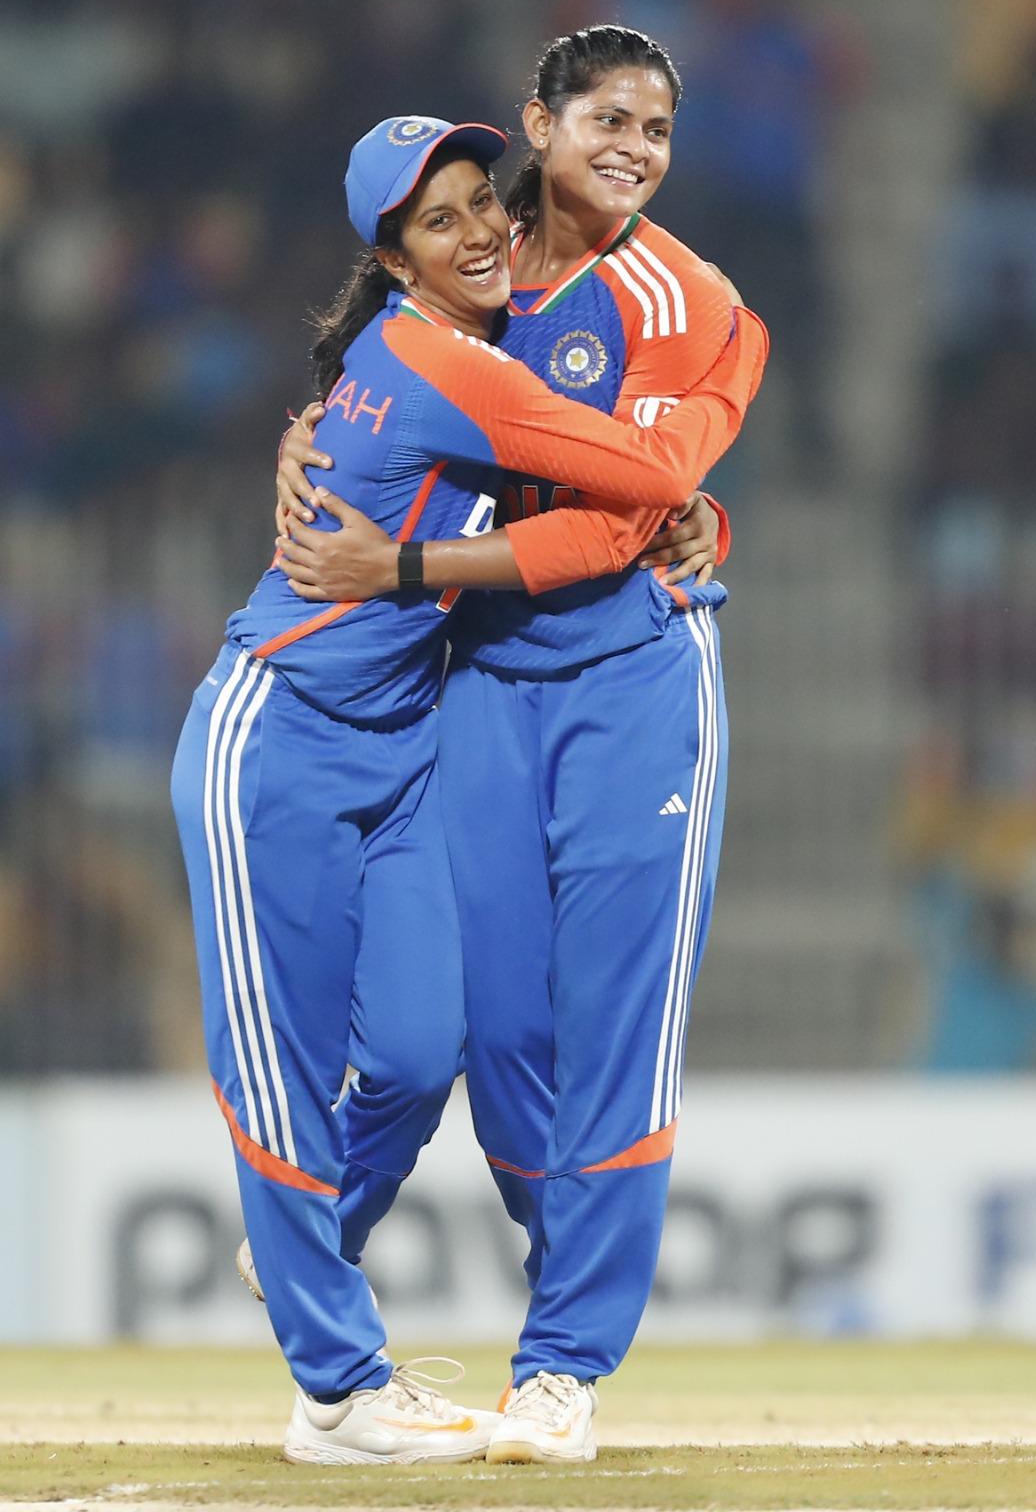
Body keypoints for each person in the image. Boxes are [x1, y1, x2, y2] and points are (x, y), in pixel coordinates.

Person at [173, 108, 767, 1467]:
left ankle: (312, 1247)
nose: (482, 229)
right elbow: (646, 462)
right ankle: (338, 1390)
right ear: (394, 260)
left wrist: (678, 514)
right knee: (277, 1072)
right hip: (279, 733)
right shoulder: (453, 363)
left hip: (400, 745)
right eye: (437, 222)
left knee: (412, 1051)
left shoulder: (446, 352)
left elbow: (593, 477)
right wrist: (695, 466)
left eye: (478, 202)